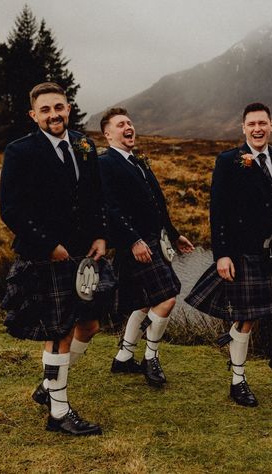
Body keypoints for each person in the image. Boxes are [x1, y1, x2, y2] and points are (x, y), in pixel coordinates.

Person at [185, 102, 272, 407]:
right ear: (243, 128)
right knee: (246, 320)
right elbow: (217, 211)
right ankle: (238, 381)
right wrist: (221, 255)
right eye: (252, 124)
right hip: (245, 252)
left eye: (263, 123)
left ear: (271, 125)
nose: (258, 129)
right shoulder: (228, 161)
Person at [0, 82, 115, 435]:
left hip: (83, 253)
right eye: (45, 110)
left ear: (68, 108)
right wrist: (49, 244)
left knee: (90, 325)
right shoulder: (20, 151)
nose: (54, 114)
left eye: (59, 107)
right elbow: (10, 209)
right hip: (45, 257)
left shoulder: (83, 143)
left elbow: (96, 196)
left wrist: (100, 234)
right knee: (60, 331)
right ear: (34, 115)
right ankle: (59, 413)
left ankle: (49, 386)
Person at [98, 108, 194, 387]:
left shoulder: (138, 161)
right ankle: (151, 356)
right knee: (166, 298)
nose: (128, 127)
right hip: (136, 243)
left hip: (154, 239)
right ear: (108, 134)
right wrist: (133, 241)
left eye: (129, 122)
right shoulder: (105, 163)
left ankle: (124, 357)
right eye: (120, 124)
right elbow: (109, 208)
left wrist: (175, 235)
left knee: (144, 302)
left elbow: (157, 204)